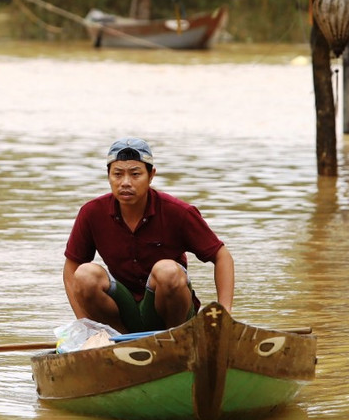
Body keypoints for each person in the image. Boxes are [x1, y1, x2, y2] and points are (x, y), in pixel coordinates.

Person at [63, 137, 235, 332]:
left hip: (170, 312)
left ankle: (176, 338)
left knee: (167, 270)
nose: (125, 183)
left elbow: (222, 257)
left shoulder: (178, 212)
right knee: (85, 275)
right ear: (108, 176)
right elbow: (71, 269)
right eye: (118, 174)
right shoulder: (92, 212)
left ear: (151, 175)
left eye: (135, 174)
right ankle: (117, 340)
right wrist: (85, 326)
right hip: (122, 314)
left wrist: (225, 314)